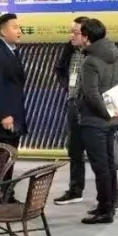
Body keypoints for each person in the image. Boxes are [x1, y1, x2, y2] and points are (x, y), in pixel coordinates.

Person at [77, 18, 118, 225]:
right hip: (112, 116)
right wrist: (111, 112)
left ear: (87, 37)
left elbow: (91, 93)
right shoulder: (114, 54)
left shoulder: (90, 61)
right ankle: (111, 202)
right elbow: (115, 84)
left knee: (100, 167)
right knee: (109, 164)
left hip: (94, 119)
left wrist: (104, 113)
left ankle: (105, 210)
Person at [0, 12, 27, 201]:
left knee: (10, 157)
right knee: (3, 158)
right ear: (2, 31)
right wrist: (4, 114)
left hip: (14, 113)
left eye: (19, 27)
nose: (19, 31)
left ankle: (7, 195)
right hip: (5, 117)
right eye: (14, 27)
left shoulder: (11, 50)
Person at [53, 16, 89, 205]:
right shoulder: (69, 49)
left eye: (75, 32)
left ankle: (107, 198)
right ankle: (75, 190)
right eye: (71, 32)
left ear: (86, 35)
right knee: (74, 150)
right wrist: (68, 87)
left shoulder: (97, 53)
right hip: (73, 104)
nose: (71, 36)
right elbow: (59, 68)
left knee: (99, 155)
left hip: (91, 108)